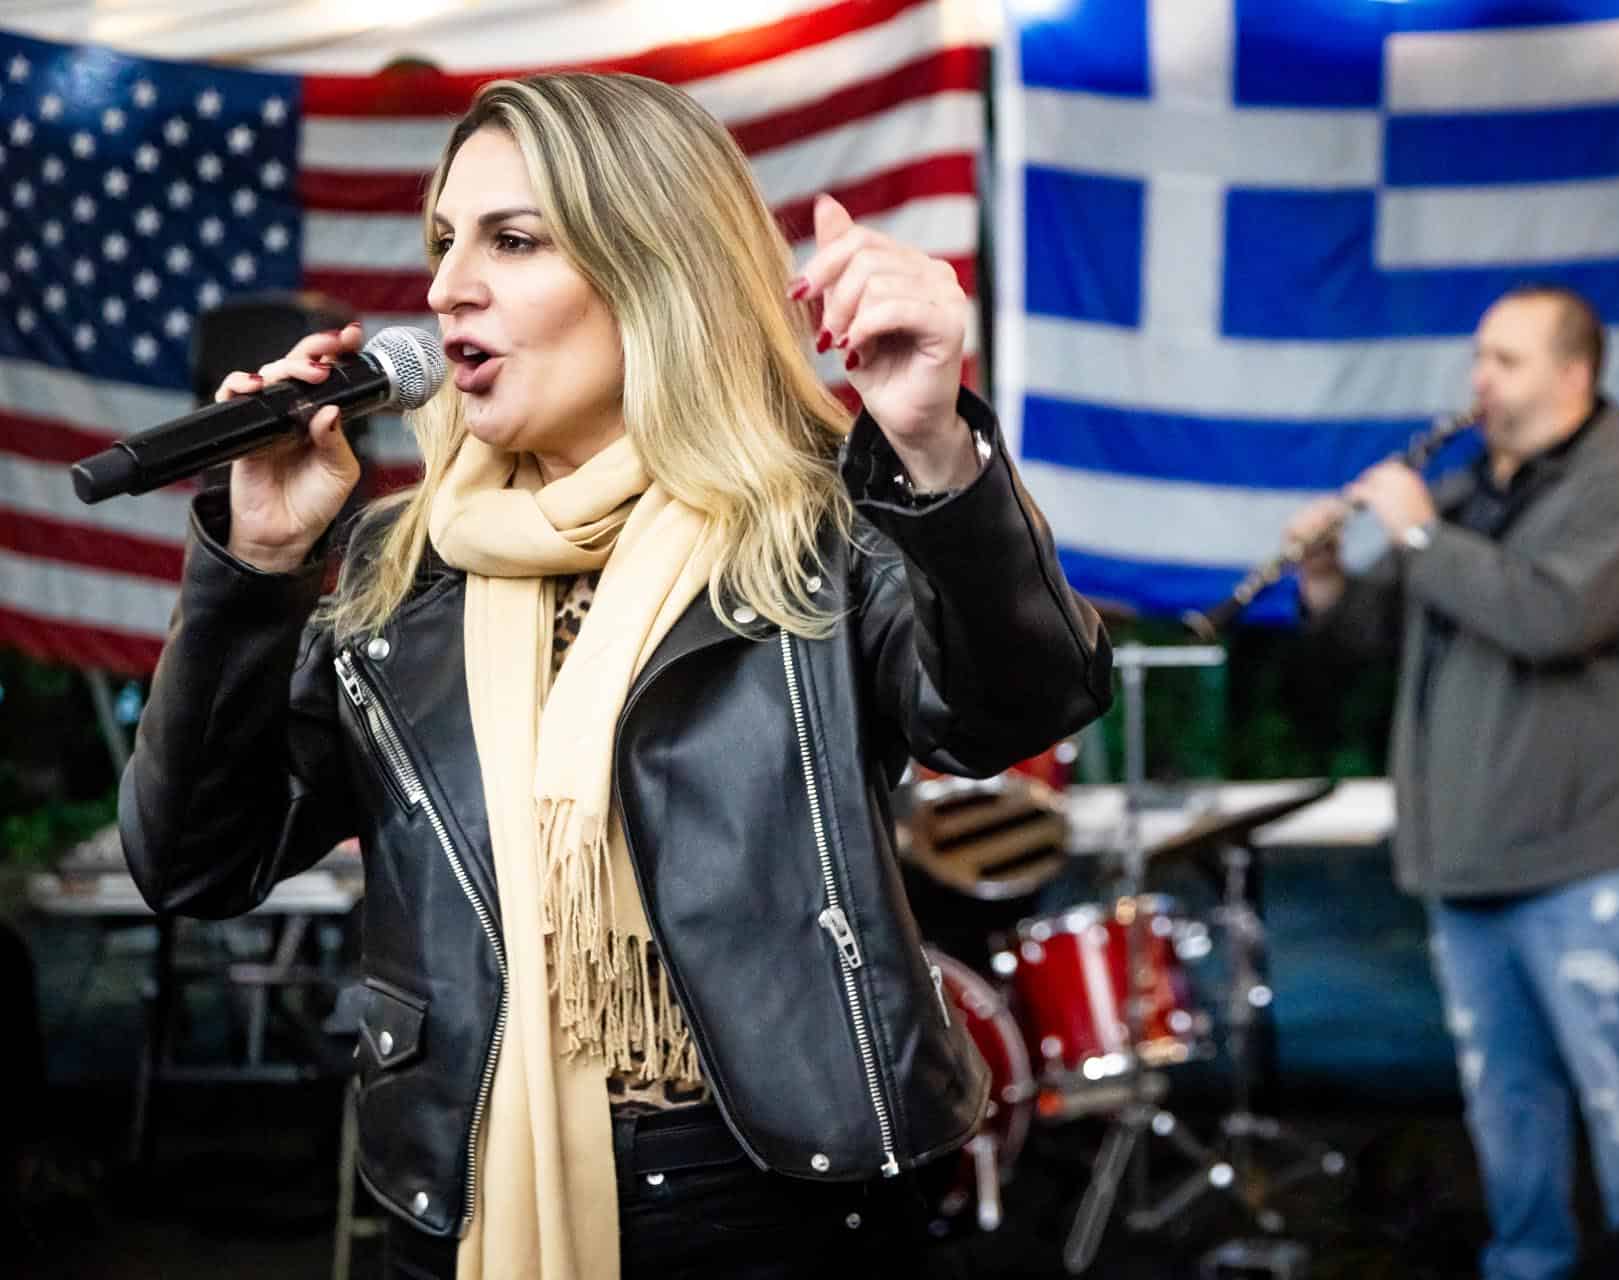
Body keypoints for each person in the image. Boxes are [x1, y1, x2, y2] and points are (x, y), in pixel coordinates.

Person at [120, 72, 1112, 1280]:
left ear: (657, 267)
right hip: (471, 1187)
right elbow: (193, 860)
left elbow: (1018, 707)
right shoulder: (399, 564)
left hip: (781, 1194)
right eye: (444, 243)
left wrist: (934, 445)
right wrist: (255, 568)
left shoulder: (820, 518)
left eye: (513, 239)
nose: (446, 289)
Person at [1288, 286, 1619, 1280]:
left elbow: (1548, 617)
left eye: (1507, 360)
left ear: (1576, 374)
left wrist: (1421, 535)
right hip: (1477, 863)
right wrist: (1322, 574)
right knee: (1507, 1105)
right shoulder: (1477, 491)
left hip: (1600, 856)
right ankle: (1530, 1263)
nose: (1479, 380)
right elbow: (1374, 633)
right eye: (1479, 357)